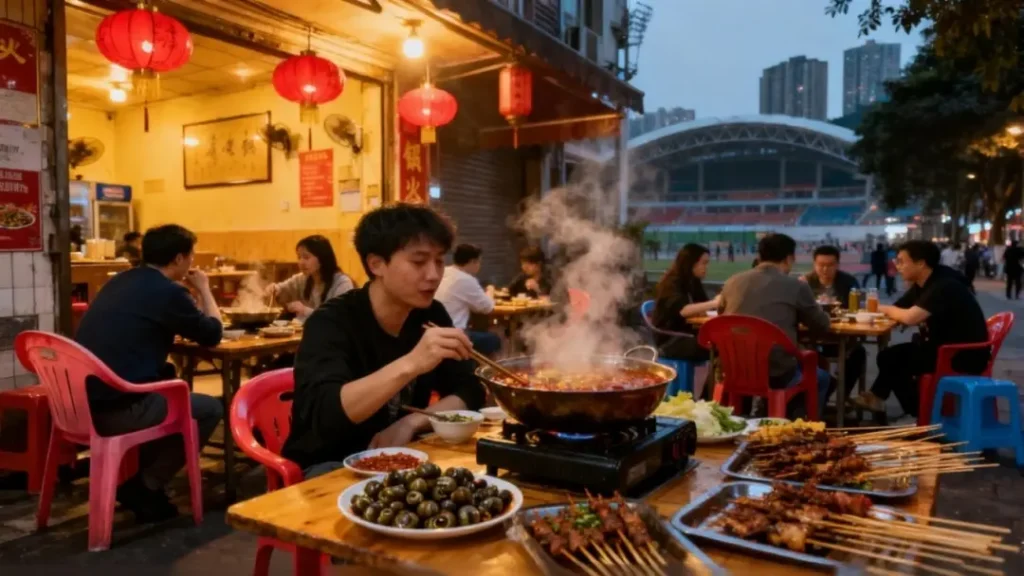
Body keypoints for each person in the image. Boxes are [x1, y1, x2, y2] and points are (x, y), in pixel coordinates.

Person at [282, 205, 486, 478]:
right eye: (419, 262)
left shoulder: (431, 313)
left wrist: (411, 423)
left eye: (439, 261)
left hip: (404, 456)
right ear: (376, 264)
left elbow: (469, 390)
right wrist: (412, 363)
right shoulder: (330, 322)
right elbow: (327, 415)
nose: (434, 274)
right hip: (329, 463)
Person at [75, 224, 223, 522]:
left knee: (170, 390)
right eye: (191, 257)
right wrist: (205, 288)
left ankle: (147, 485)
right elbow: (212, 334)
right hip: (118, 408)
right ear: (180, 258)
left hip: (79, 404)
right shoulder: (168, 292)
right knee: (208, 409)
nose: (191, 264)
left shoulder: (120, 281)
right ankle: (146, 485)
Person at [852, 241, 990, 417]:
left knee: (892, 358)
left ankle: (921, 412)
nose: (898, 267)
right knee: (891, 357)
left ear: (920, 263)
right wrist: (894, 314)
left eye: (902, 262)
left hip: (962, 355)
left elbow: (910, 317)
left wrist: (879, 308)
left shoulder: (944, 285)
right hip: (942, 348)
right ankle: (879, 398)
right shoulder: (923, 283)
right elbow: (900, 307)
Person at [718, 234, 833, 417]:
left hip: (733, 367)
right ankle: (802, 429)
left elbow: (721, 317)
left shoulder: (732, 281)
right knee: (821, 378)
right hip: (777, 373)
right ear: (789, 258)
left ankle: (758, 415)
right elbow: (821, 325)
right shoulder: (796, 286)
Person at [801, 245, 866, 408]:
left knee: (859, 354)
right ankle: (816, 399)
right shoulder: (804, 283)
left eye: (830, 265)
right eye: (820, 264)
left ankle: (842, 398)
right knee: (807, 357)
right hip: (812, 338)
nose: (824, 269)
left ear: (837, 264)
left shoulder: (849, 282)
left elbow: (856, 310)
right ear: (814, 264)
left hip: (842, 336)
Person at [651, 243, 718, 361]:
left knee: (724, 342)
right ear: (691, 263)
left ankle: (713, 379)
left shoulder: (693, 281)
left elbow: (704, 305)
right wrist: (714, 303)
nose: (706, 267)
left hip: (688, 333)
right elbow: (683, 310)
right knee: (720, 347)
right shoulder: (671, 283)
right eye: (704, 263)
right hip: (672, 340)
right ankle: (713, 379)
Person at [436, 243, 501, 357]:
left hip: (435, 332)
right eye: (479, 262)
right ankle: (486, 372)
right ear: (472, 262)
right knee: (494, 339)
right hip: (454, 335)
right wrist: (491, 291)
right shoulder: (465, 279)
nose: (479, 266)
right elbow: (488, 307)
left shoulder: (444, 272)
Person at [268, 235, 354, 320]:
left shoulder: (342, 283)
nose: (301, 262)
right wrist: (275, 289)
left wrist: (305, 310)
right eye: (299, 257)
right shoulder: (302, 279)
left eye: (306, 257)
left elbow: (338, 318)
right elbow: (283, 289)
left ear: (322, 259)